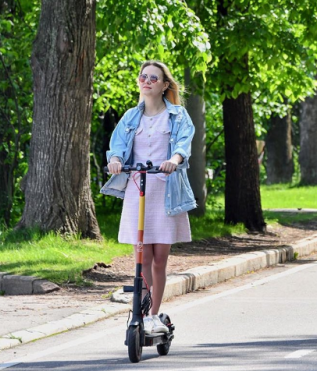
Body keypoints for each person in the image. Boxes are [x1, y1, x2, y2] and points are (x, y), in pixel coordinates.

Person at [101, 61, 196, 334]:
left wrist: (174, 160)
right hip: (138, 188)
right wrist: (117, 161)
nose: (147, 81)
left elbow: (182, 144)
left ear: (165, 85)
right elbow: (116, 146)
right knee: (141, 257)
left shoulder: (177, 116)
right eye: (143, 77)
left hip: (165, 189)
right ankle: (141, 311)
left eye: (153, 78)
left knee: (159, 258)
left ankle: (154, 314)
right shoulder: (131, 117)